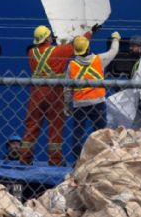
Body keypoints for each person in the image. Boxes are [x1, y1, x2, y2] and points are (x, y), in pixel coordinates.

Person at [20, 24, 94, 166]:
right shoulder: (57, 51)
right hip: (54, 92)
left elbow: (45, 53)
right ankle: (55, 160)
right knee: (56, 125)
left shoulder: (31, 53)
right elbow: (77, 46)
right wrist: (89, 33)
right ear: (48, 37)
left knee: (32, 124)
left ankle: (25, 158)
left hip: (36, 93)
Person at [66, 31, 120, 159]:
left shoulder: (71, 65)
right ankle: (101, 158)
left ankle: (78, 160)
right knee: (101, 132)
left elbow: (67, 89)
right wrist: (116, 38)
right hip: (97, 103)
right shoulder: (99, 60)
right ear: (88, 47)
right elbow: (113, 52)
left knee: (78, 133)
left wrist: (67, 105)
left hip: (79, 104)